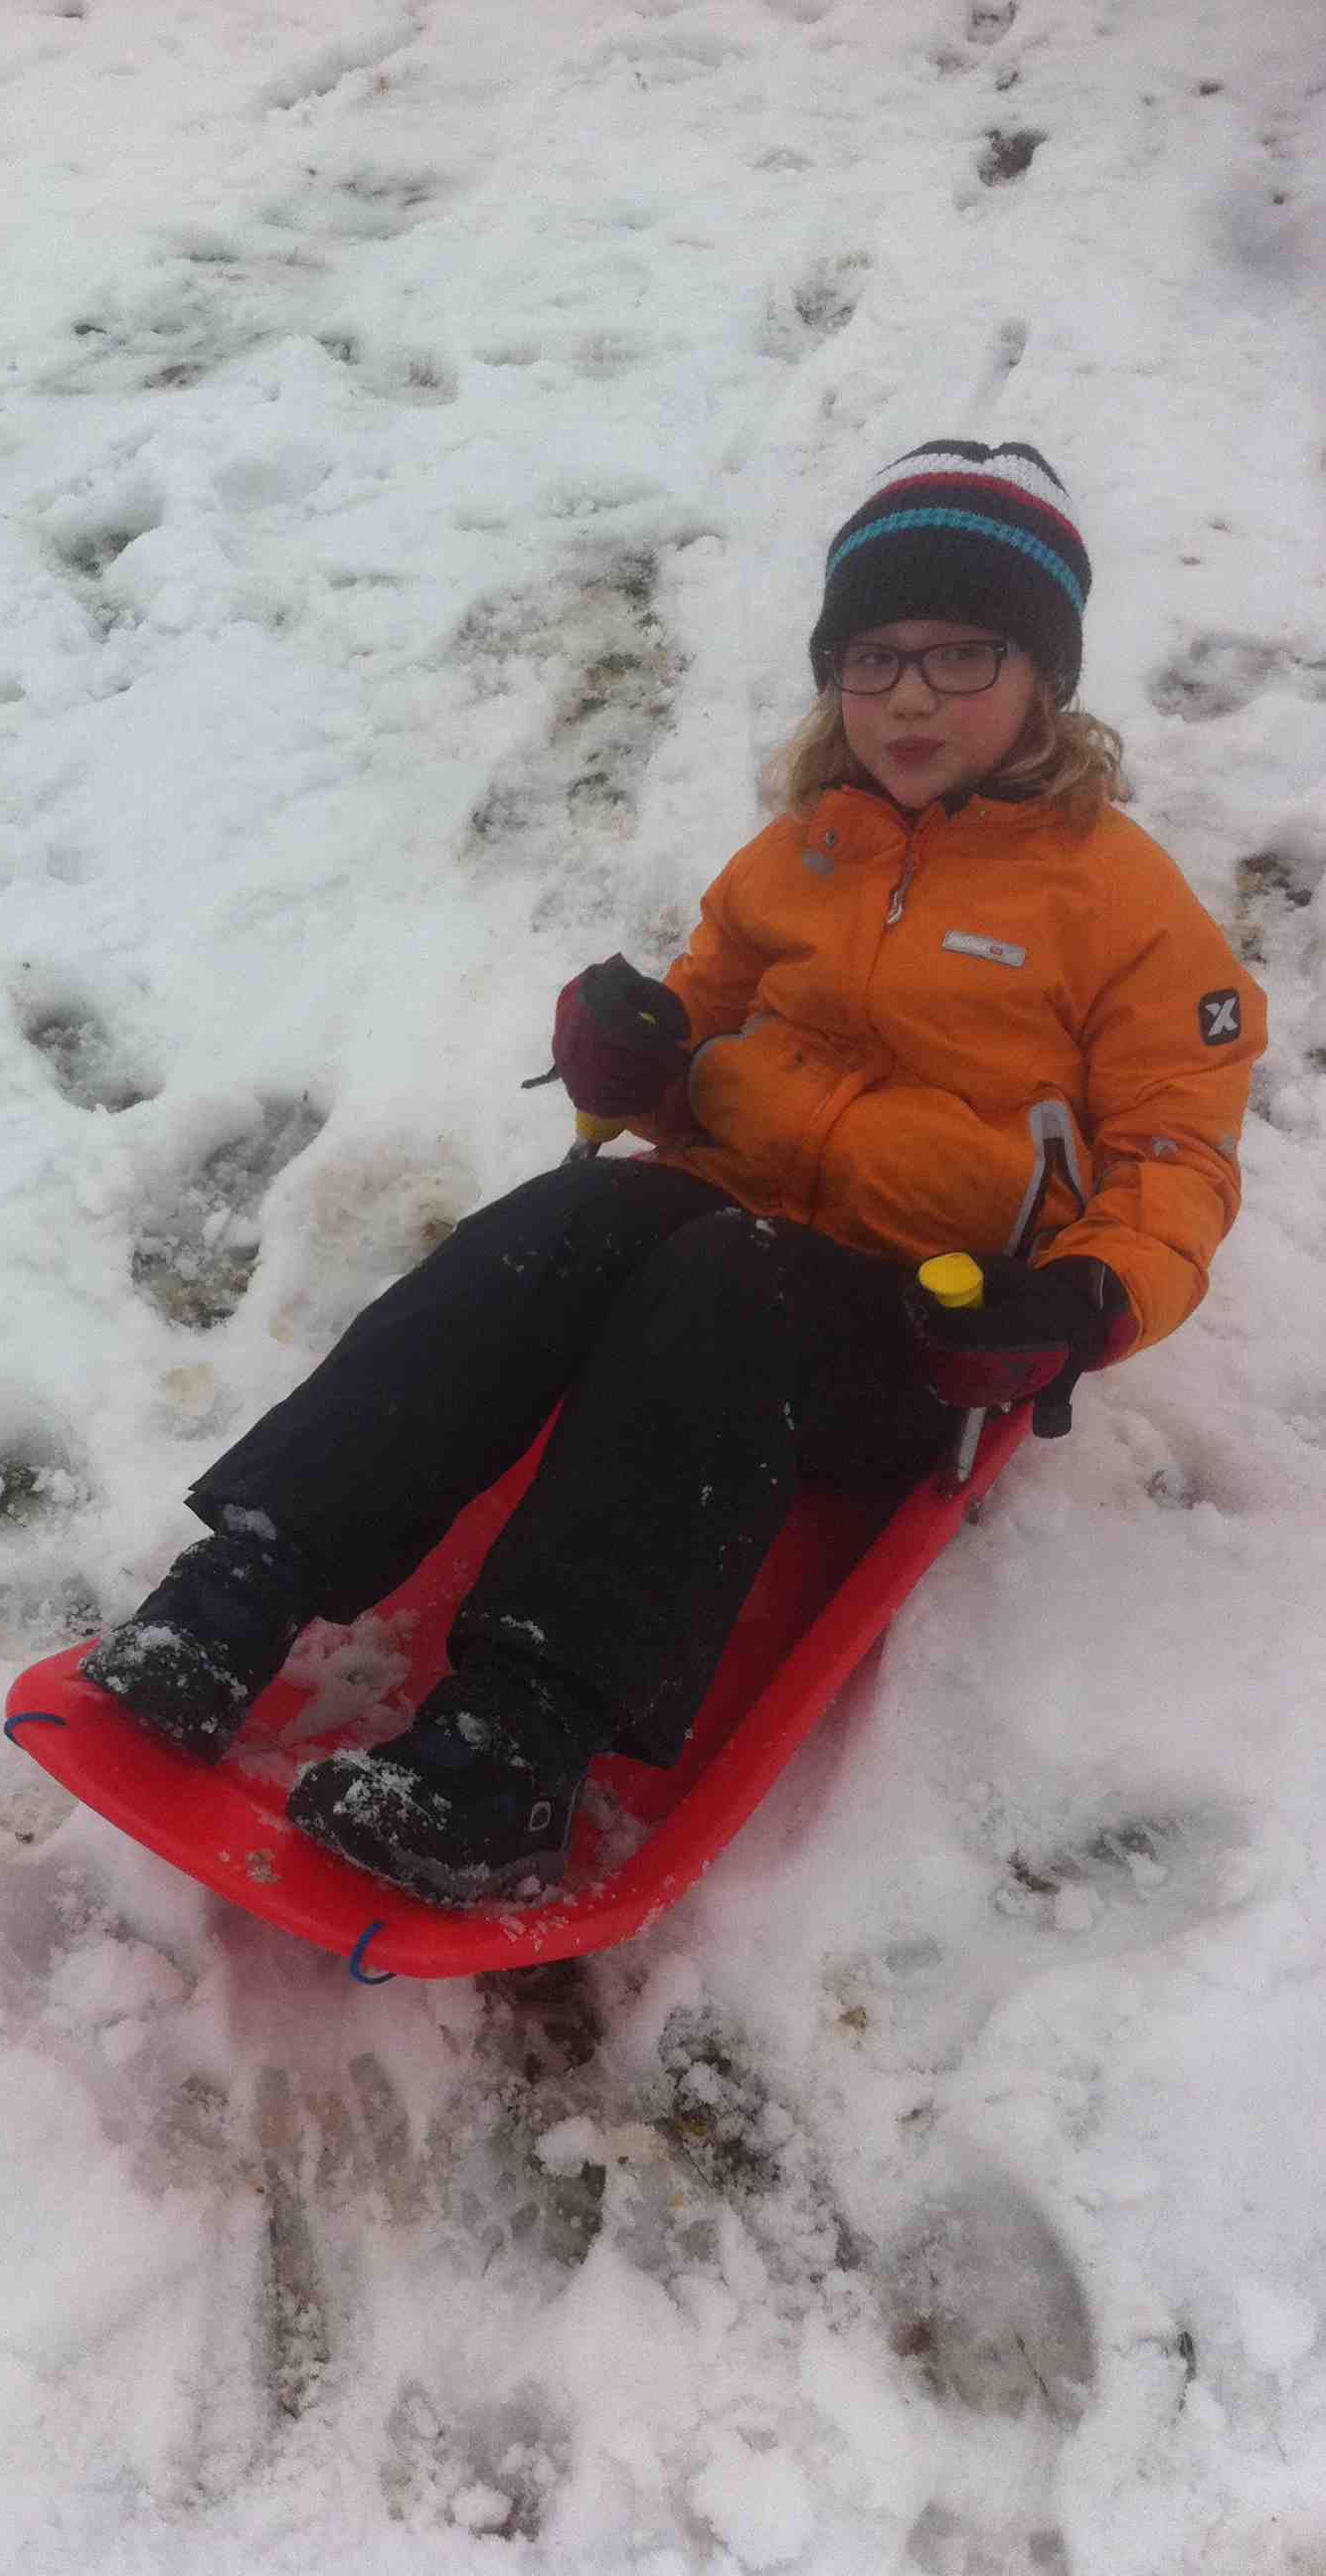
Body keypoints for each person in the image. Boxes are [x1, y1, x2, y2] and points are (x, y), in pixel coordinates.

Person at [82, 438, 1266, 1907]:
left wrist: (1084, 1300)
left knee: (724, 1269)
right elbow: (702, 1004)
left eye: (965, 656)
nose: (910, 696)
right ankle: (243, 1586)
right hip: (731, 1254)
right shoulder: (803, 852)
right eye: (875, 657)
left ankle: (515, 1746)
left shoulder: (1125, 908)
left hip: (922, 1334)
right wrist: (629, 1050)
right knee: (585, 1213)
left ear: (1045, 678)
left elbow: (1176, 1152)